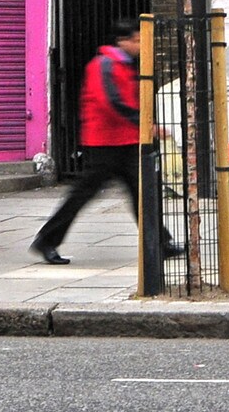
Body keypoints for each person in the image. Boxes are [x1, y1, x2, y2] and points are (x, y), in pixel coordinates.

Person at [32, 17, 180, 264]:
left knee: (142, 193)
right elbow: (112, 103)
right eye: (137, 39)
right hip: (104, 144)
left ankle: (160, 243)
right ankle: (46, 240)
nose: (141, 44)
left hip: (126, 142)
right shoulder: (105, 65)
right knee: (81, 195)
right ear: (122, 41)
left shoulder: (128, 65)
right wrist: (146, 125)